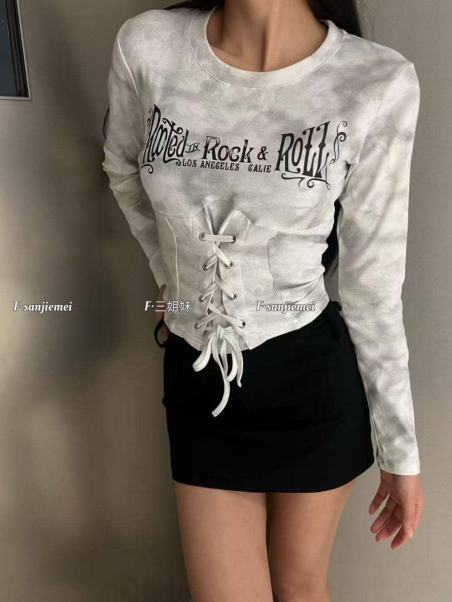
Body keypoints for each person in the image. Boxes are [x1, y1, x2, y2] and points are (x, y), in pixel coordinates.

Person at [102, 1, 425, 599]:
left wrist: (400, 452)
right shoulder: (147, 46)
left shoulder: (376, 81)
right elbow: (123, 167)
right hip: (200, 374)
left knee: (301, 588)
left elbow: (374, 284)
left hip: (311, 375)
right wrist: (173, 277)